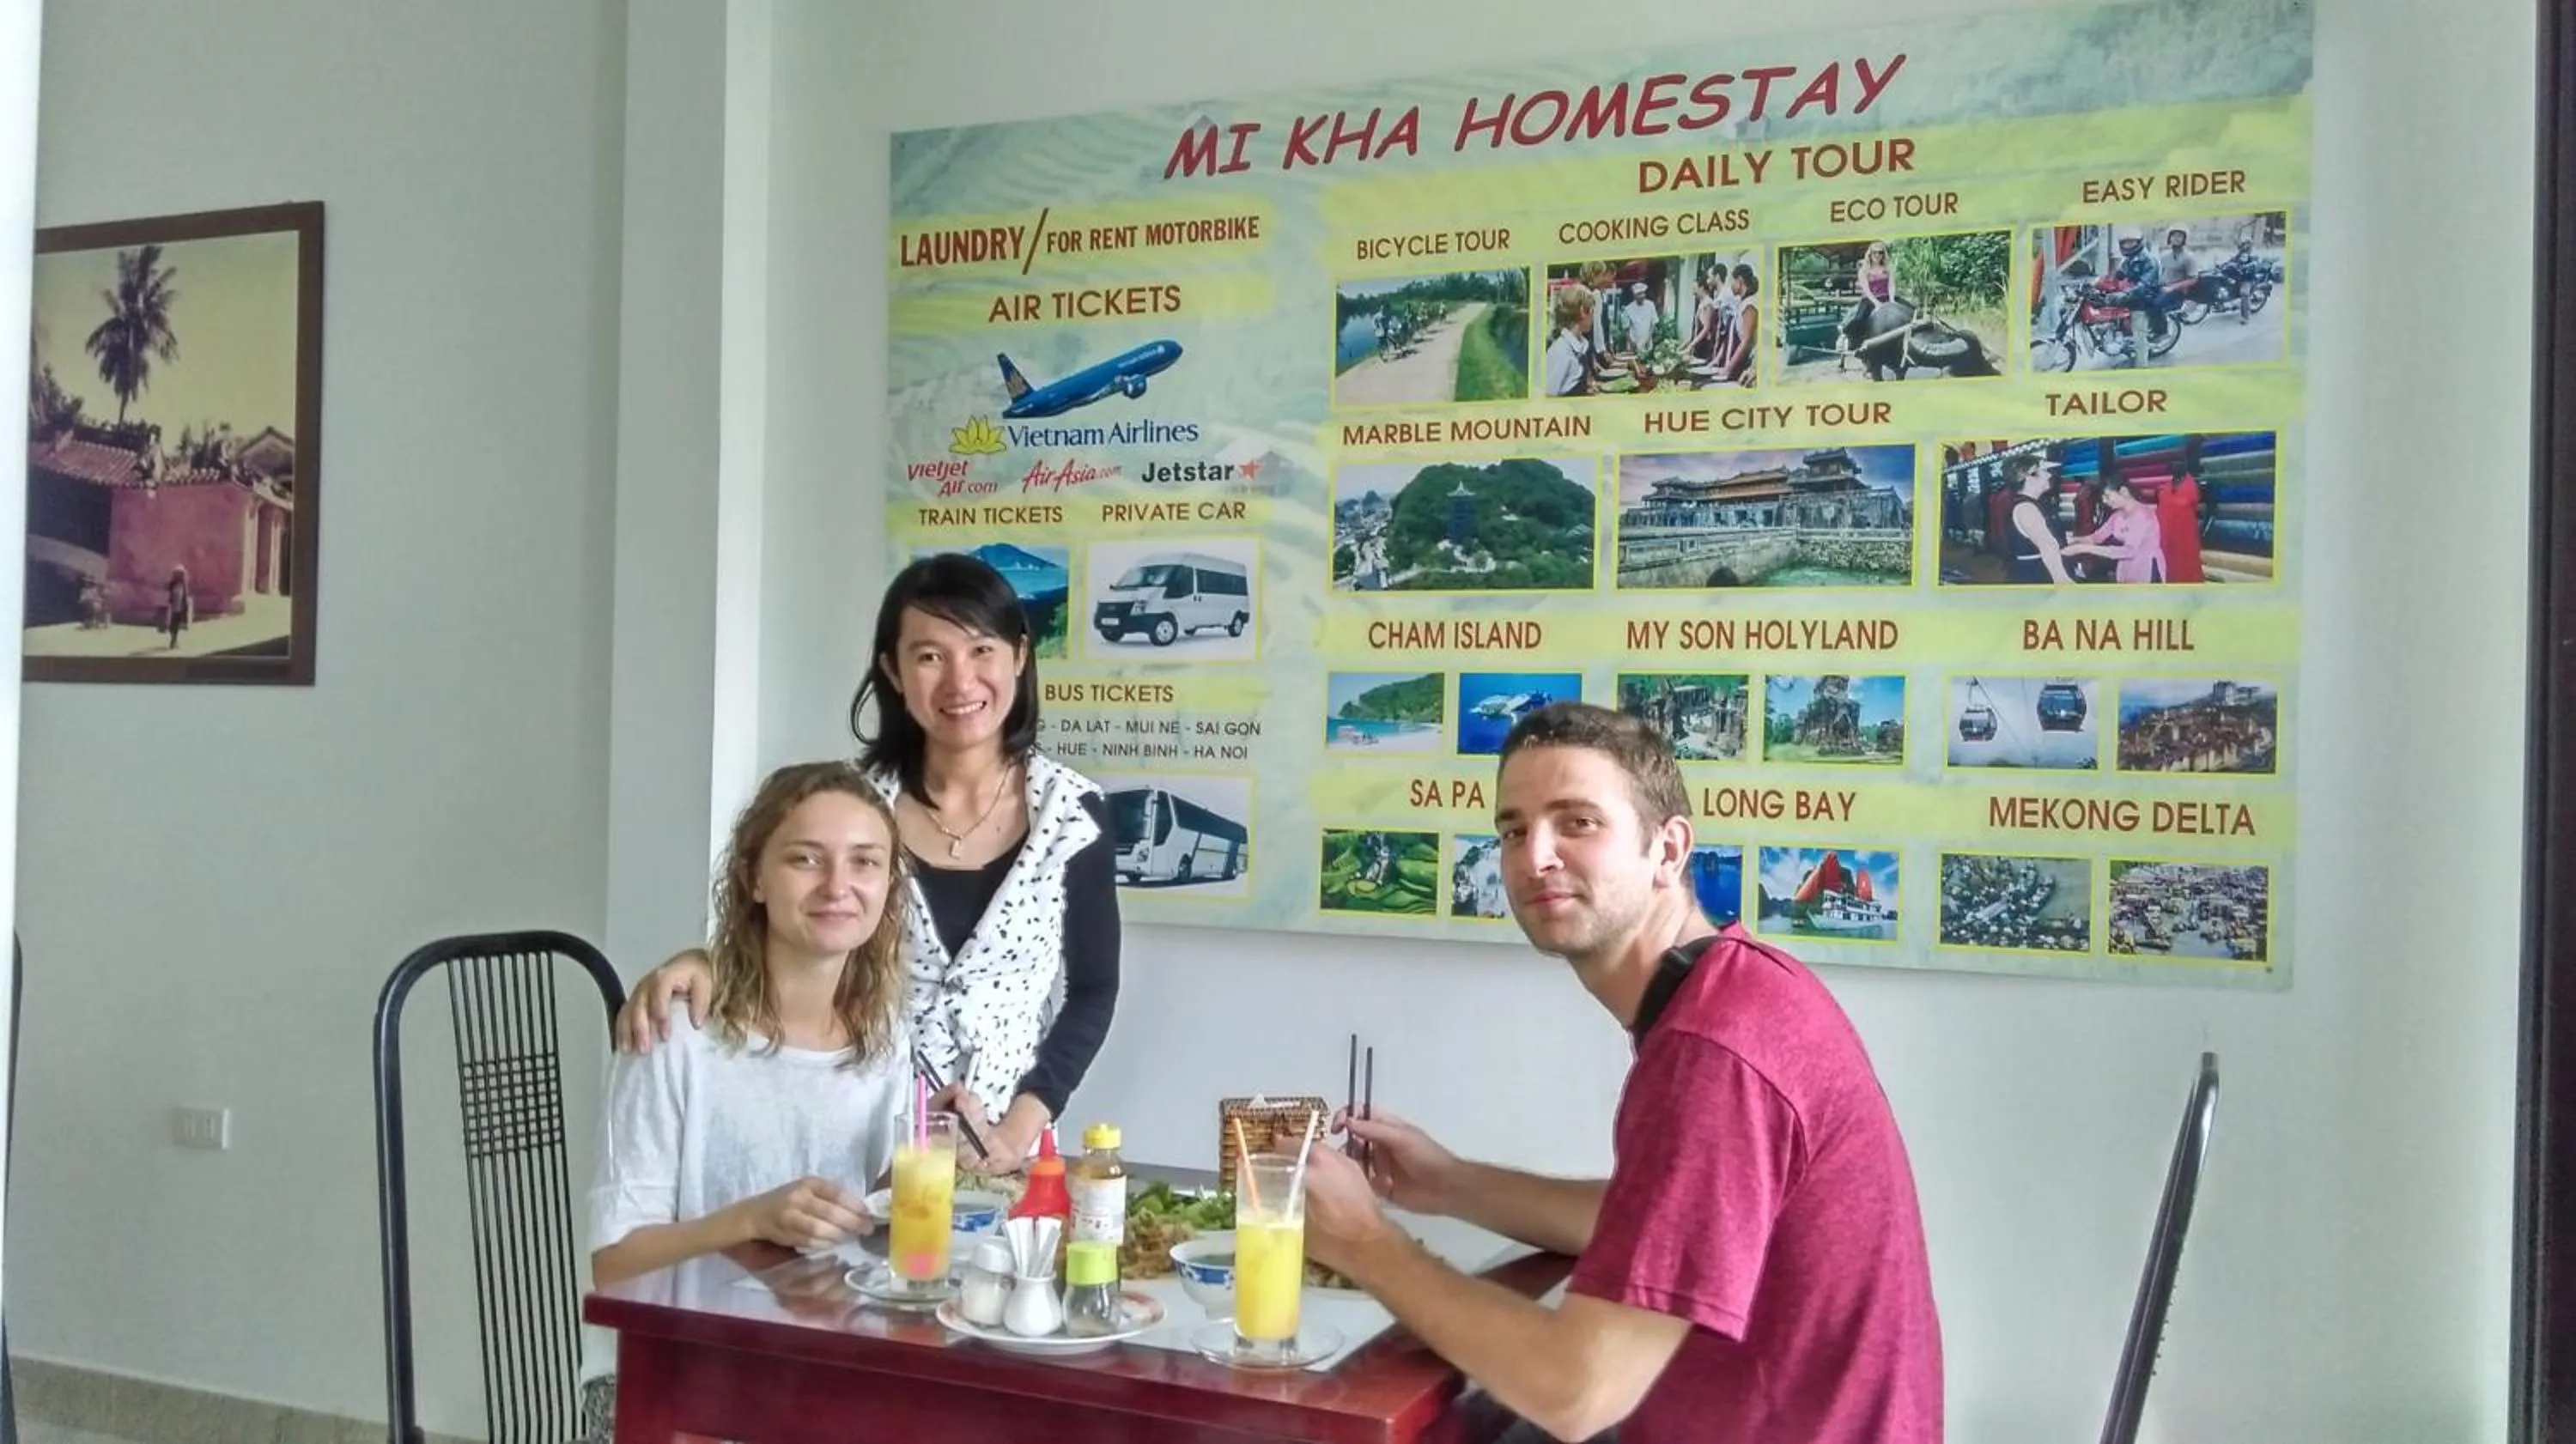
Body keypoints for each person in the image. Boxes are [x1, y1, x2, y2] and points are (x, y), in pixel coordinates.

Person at [1297, 703, 1941, 1443]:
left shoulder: (1717, 1052)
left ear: (1668, 851)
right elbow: (1660, 1224)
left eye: (1577, 822)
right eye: (1513, 829)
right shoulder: (1733, 990)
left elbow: (1578, 1392)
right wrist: (1448, 1183)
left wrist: (1363, 1243)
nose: (1534, 855)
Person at [616, 553, 1121, 1174]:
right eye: (930, 656)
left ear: (1019, 657)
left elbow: (1094, 989)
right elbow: (788, 940)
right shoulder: (850, 809)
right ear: (894, 671)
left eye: (981, 651)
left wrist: (1020, 1125)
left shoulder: (1073, 814)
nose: (960, 682)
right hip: (851, 1134)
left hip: (1008, 1154)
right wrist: (704, 962)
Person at [580, 761, 914, 1440]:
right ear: (753, 877)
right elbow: (613, 1264)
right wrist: (751, 1219)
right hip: (675, 1381)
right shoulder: (677, 1030)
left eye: (865, 863)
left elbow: (867, 1234)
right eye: (805, 859)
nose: (838, 887)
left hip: (815, 1374)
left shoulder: (885, 1038)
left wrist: (921, 1182)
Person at [2063, 473, 2167, 583]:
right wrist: (2073, 541)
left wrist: (2083, 548)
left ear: (2123, 492)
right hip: (2127, 569)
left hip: (2147, 571)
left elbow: (2129, 551)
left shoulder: (2143, 514)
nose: (2104, 501)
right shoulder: (2117, 516)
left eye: (2107, 496)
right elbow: (2096, 538)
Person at [2001, 451, 2075, 584]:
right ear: (2028, 477)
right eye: (2044, 471)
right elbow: (2048, 545)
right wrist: (2063, 581)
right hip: (2037, 576)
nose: (2049, 475)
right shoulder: (2026, 508)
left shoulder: (2031, 504)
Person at [1546, 285, 1602, 397]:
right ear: (1582, 311)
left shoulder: (1580, 345)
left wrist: (1588, 387)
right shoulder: (1560, 352)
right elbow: (1548, 397)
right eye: (1592, 311)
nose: (1593, 317)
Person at [1717, 264, 1761, 386]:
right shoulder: (1743, 303)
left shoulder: (1750, 305)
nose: (1730, 285)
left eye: (1732, 280)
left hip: (1752, 362)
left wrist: (1728, 369)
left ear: (1740, 281)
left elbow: (1746, 341)